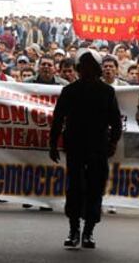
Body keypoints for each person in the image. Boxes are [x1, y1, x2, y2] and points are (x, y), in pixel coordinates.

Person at [49, 48, 122, 249]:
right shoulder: (69, 91)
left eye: (91, 67)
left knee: (95, 189)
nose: (87, 71)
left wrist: (113, 142)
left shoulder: (107, 92)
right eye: (84, 67)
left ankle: (88, 231)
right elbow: (57, 119)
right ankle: (74, 230)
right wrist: (53, 144)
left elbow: (116, 122)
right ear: (79, 69)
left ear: (96, 70)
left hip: (98, 147)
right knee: (74, 188)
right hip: (75, 146)